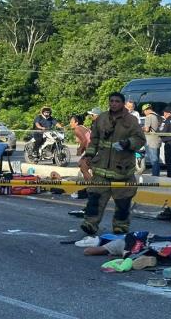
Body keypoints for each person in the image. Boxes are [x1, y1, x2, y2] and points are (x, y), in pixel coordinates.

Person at [78, 93, 146, 237]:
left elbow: (140, 139)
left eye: (117, 101)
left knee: (123, 202)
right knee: (95, 198)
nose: (114, 103)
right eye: (111, 101)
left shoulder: (131, 120)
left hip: (122, 170)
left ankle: (120, 227)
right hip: (101, 168)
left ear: (122, 103)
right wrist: (89, 155)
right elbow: (94, 140)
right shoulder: (101, 118)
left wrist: (127, 143)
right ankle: (90, 224)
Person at [141, 104, 162, 177]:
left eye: (144, 111)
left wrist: (142, 128)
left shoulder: (148, 116)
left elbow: (147, 129)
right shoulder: (158, 116)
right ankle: (157, 175)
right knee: (156, 160)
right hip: (158, 140)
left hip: (151, 141)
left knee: (154, 161)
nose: (144, 113)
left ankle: (155, 177)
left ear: (146, 110)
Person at [69, 115, 92, 180]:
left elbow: (84, 140)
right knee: (83, 166)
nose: (70, 124)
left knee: (82, 166)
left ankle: (91, 186)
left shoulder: (77, 129)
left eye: (71, 122)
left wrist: (79, 150)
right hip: (94, 149)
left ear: (76, 123)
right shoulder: (83, 127)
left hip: (91, 150)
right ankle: (89, 184)